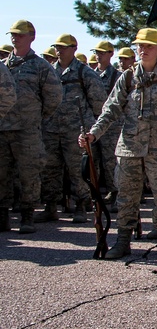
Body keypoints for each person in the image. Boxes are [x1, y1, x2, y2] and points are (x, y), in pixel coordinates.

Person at [82, 28, 157, 258]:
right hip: (130, 146)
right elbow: (110, 109)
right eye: (140, 46)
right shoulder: (128, 77)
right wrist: (94, 134)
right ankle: (123, 239)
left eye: (149, 46)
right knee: (127, 194)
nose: (143, 49)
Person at [1, 20, 62, 234]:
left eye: (19, 34)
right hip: (3, 129)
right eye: (12, 34)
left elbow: (54, 97)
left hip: (27, 130)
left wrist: (36, 116)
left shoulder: (40, 66)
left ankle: (27, 215)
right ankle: (3, 215)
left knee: (29, 173)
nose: (14, 38)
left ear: (32, 36)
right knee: (2, 174)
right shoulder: (4, 64)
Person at [41, 34, 106, 224]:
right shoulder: (49, 72)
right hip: (51, 128)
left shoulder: (84, 73)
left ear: (74, 48)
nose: (59, 51)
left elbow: (99, 101)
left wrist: (89, 126)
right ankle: (50, 206)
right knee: (50, 168)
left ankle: (81, 205)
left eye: (63, 47)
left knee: (78, 169)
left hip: (75, 130)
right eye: (57, 47)